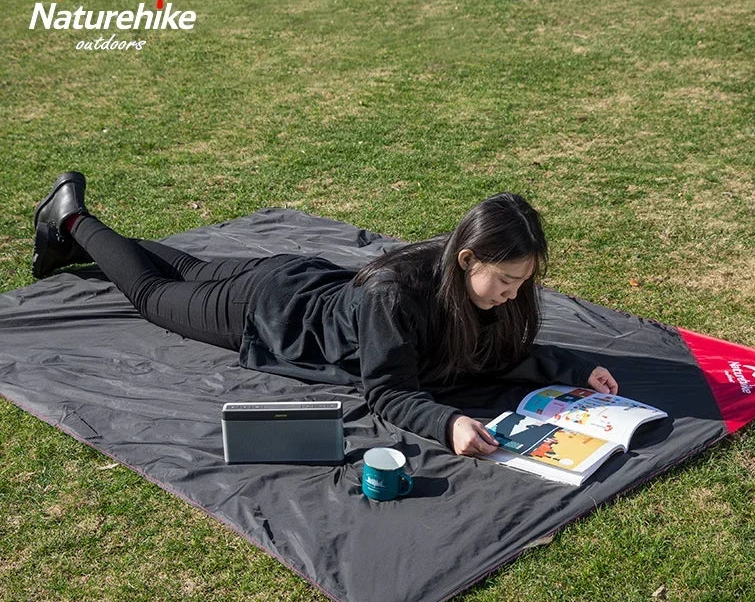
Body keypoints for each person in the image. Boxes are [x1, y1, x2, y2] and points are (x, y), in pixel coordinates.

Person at [32, 171, 618, 456]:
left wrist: (572, 369)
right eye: (507, 281)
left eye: (524, 281)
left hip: (303, 277)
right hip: (268, 309)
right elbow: (388, 393)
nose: (514, 295)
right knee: (157, 297)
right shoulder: (399, 297)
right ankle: (70, 220)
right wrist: (447, 424)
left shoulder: (485, 290)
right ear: (466, 259)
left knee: (184, 269)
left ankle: (82, 239)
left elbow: (505, 355)